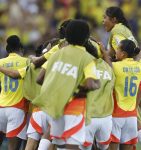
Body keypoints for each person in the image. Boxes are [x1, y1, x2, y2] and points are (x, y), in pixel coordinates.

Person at [33, 19, 100, 149]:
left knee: (59, 144)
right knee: (72, 144)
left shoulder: (56, 54)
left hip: (54, 106)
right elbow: (92, 84)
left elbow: (39, 79)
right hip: (74, 107)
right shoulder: (86, 58)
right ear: (86, 38)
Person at [103, 39, 141, 150]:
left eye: (118, 49)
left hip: (116, 115)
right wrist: (138, 58)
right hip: (132, 117)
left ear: (123, 54)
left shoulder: (116, 67)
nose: (115, 52)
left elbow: (106, 63)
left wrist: (104, 52)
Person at [80, 41, 115, 150]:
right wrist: (105, 53)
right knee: (103, 148)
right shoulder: (107, 67)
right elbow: (112, 72)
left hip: (88, 117)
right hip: (106, 117)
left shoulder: (83, 66)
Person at [0, 35, 28, 150]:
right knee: (13, 148)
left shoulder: (1, 62)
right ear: (20, 49)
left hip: (1, 106)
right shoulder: (27, 61)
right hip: (17, 108)